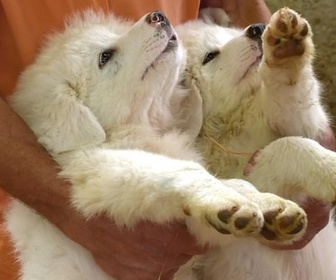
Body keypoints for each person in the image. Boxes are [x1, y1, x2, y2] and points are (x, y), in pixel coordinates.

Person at [0, 0, 333, 279]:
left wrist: (294, 94)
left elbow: (236, 5)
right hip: (37, 181)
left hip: (174, 124)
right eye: (107, 57)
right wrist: (65, 208)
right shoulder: (82, 132)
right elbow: (115, 177)